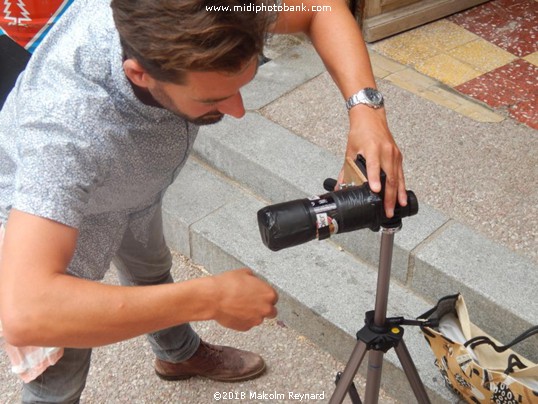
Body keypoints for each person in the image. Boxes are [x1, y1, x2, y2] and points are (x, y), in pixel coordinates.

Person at [0, 0, 407, 402]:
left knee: (152, 269)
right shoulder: (65, 128)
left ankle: (177, 355)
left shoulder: (213, 9)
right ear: (139, 74)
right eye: (212, 100)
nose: (238, 110)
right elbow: (28, 313)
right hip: (53, 211)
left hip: (136, 186)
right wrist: (208, 298)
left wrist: (366, 110)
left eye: (241, 85)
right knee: (60, 369)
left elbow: (320, 7)